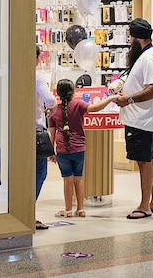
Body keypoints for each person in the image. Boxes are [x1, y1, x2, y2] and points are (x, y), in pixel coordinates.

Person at [114, 18, 153, 220]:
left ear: (135, 38)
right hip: (143, 119)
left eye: (130, 38)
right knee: (149, 159)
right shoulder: (147, 56)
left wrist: (130, 99)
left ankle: (144, 205)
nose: (129, 42)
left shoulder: (150, 58)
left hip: (142, 119)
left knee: (144, 162)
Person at [48, 78, 117, 218]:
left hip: (62, 149)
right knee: (78, 179)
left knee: (67, 180)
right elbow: (96, 108)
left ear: (58, 94)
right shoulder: (79, 104)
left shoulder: (54, 111)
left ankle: (68, 210)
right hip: (79, 148)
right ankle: (81, 209)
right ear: (73, 92)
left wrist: (51, 152)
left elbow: (52, 134)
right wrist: (112, 97)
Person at [34, 45, 56, 229]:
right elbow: (49, 100)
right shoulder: (37, 77)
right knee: (39, 173)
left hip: (15, 131)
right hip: (35, 133)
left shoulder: (12, 75)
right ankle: (28, 213)